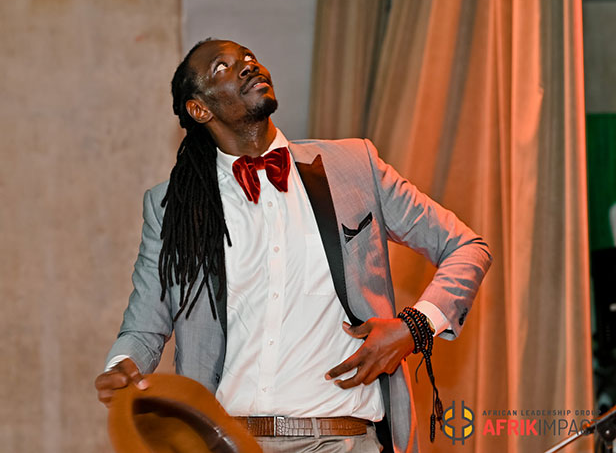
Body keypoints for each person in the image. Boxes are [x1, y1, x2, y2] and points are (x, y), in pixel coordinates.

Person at [95, 39, 492, 453]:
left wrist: (415, 327)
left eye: (249, 57)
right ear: (200, 109)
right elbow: (144, 327)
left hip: (342, 439)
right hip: (226, 441)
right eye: (222, 67)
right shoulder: (173, 206)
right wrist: (122, 368)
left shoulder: (354, 167)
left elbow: (466, 246)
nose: (247, 65)